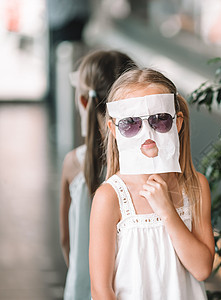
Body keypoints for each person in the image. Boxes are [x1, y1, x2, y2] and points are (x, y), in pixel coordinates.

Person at [89, 68, 215, 299]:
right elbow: (100, 289)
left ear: (177, 122)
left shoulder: (195, 186)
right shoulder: (110, 197)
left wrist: (167, 210)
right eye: (130, 123)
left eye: (159, 119)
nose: (147, 132)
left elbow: (202, 269)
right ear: (114, 130)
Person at [59, 50, 137, 300]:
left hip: (82, 289)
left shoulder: (73, 164)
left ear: (84, 102)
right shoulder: (142, 167)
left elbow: (65, 240)